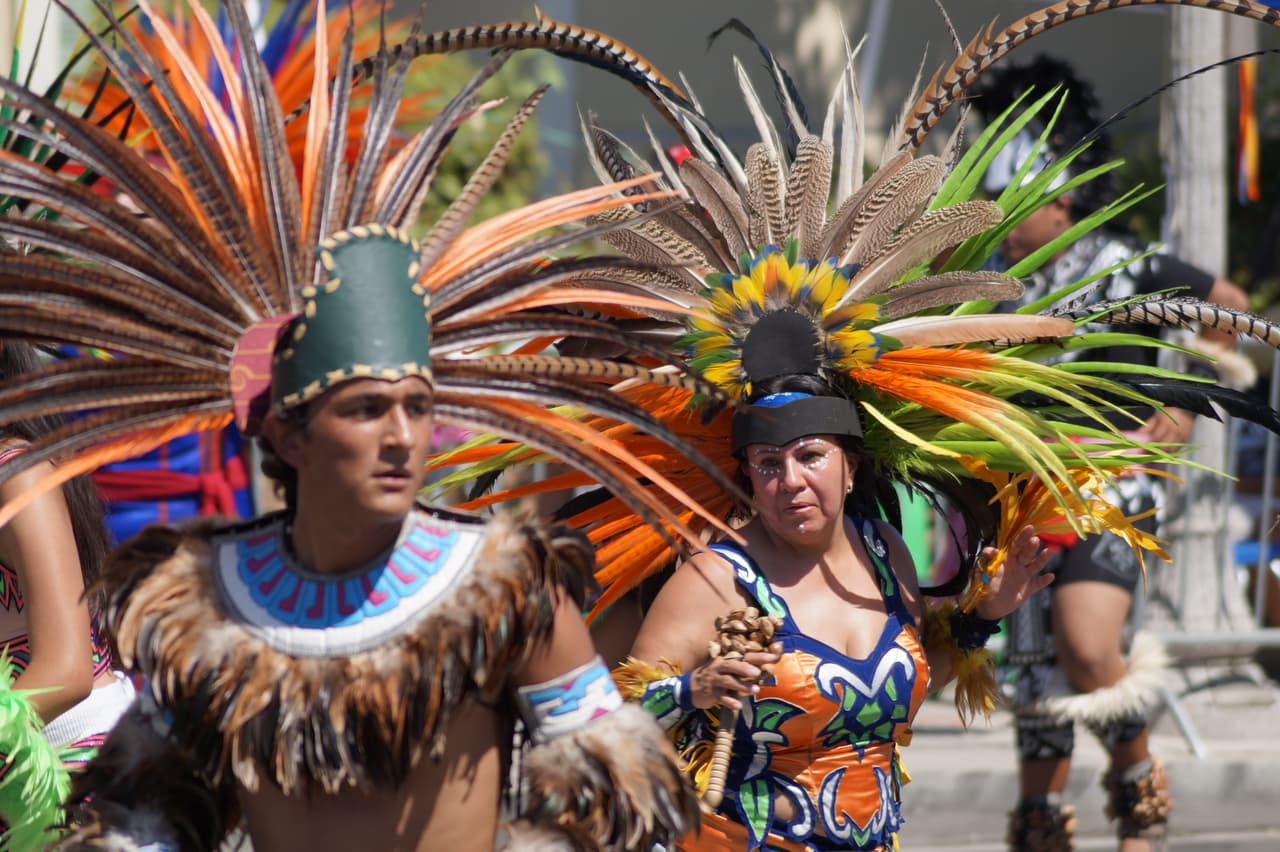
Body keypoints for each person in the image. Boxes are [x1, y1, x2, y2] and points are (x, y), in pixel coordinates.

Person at [0, 2, 736, 849]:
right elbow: (143, 822)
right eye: (365, 409)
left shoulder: (502, 589)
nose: (402, 437)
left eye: (418, 407)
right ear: (289, 437)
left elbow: (620, 805)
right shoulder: (207, 604)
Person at [971, 55, 1251, 852]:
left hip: (1111, 486)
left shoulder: (1129, 266)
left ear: (1059, 198)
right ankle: (1041, 824)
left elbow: (1227, 307)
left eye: (1010, 204)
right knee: (1034, 672)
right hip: (1020, 495)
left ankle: (1140, 798)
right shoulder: (991, 282)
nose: (998, 219)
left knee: (1089, 647)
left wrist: (1183, 400)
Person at [627, 371, 1053, 851]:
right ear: (748, 475)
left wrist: (984, 615)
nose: (791, 481)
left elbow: (901, 690)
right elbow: (613, 722)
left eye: (810, 456)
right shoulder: (715, 577)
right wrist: (693, 689)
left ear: (850, 467)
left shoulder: (884, 552)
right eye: (769, 463)